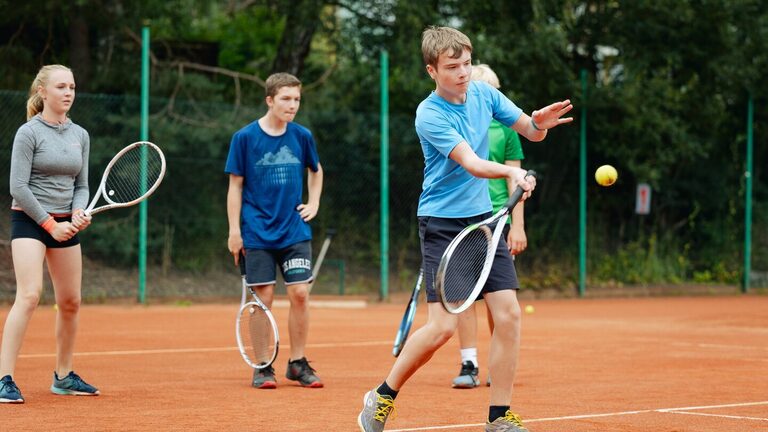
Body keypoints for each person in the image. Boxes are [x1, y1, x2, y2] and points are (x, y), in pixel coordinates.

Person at [357, 26, 572, 432]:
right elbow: (471, 163)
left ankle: (498, 416)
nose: (462, 73)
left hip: (484, 223)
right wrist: (512, 172)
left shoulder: (484, 94)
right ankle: (382, 395)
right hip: (442, 223)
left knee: (508, 315)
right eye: (452, 67)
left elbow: (529, 130)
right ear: (432, 70)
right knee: (441, 328)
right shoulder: (430, 114)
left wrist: (539, 124)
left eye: (467, 64)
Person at [0, 64, 97, 404]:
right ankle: (4, 378)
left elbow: (81, 185)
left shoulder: (80, 135)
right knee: (29, 295)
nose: (68, 92)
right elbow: (18, 187)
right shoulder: (28, 133)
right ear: (42, 92)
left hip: (66, 223)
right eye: (60, 87)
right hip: (30, 220)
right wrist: (50, 224)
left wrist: (78, 211)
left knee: (70, 301)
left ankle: (64, 376)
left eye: (72, 87)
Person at [225, 72, 324, 389]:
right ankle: (262, 365)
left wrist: (314, 202)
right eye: (285, 99)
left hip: (294, 229)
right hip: (256, 231)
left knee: (300, 294)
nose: (292, 105)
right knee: (262, 298)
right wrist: (234, 231)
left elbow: (316, 171)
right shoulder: (244, 138)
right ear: (270, 100)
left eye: (296, 99)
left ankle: (297, 363)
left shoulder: (302, 136)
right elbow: (235, 187)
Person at [452, 64, 527, 389]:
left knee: (500, 297)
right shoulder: (459, 124)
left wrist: (517, 226)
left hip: (498, 220)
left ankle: (499, 362)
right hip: (464, 219)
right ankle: (469, 362)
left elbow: (516, 181)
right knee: (463, 295)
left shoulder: (508, 132)